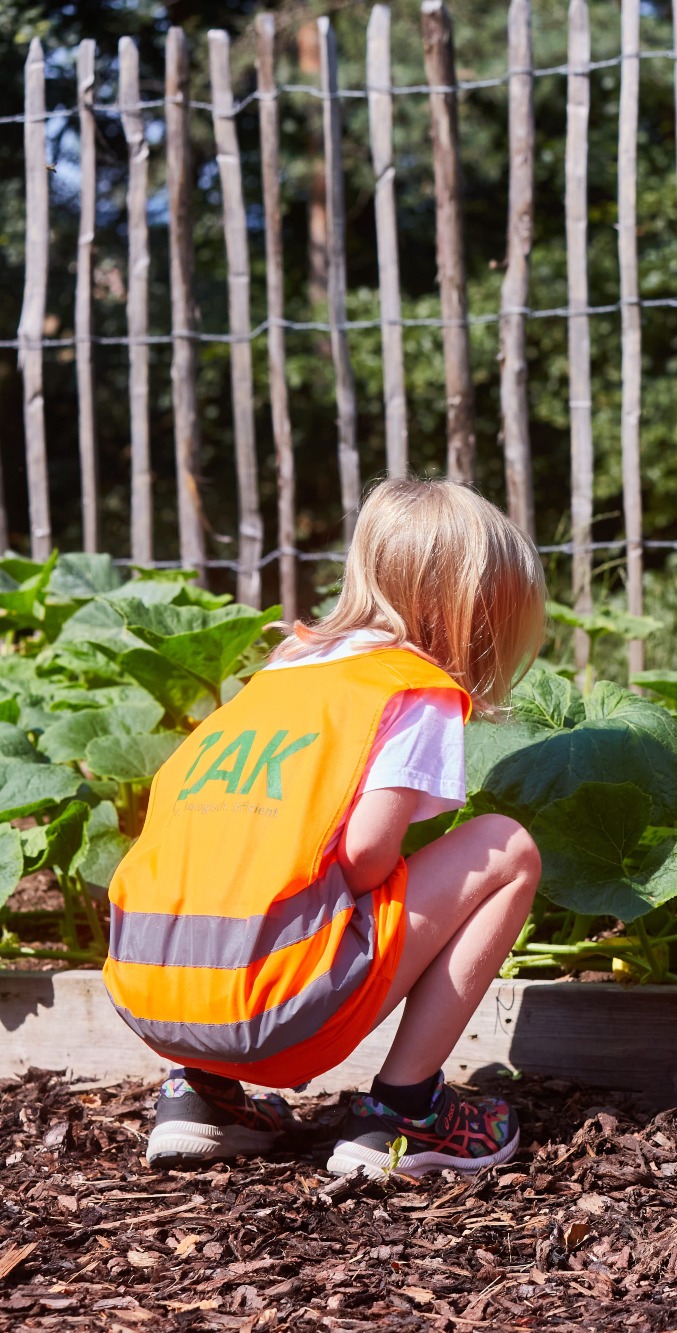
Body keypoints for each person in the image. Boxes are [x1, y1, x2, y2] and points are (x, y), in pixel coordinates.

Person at [104, 478, 546, 1178]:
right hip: (277, 1009)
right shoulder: (408, 687)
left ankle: (200, 1096)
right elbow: (368, 854)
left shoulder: (280, 674)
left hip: (151, 988)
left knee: (234, 850)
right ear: (465, 613)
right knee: (508, 848)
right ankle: (407, 1108)